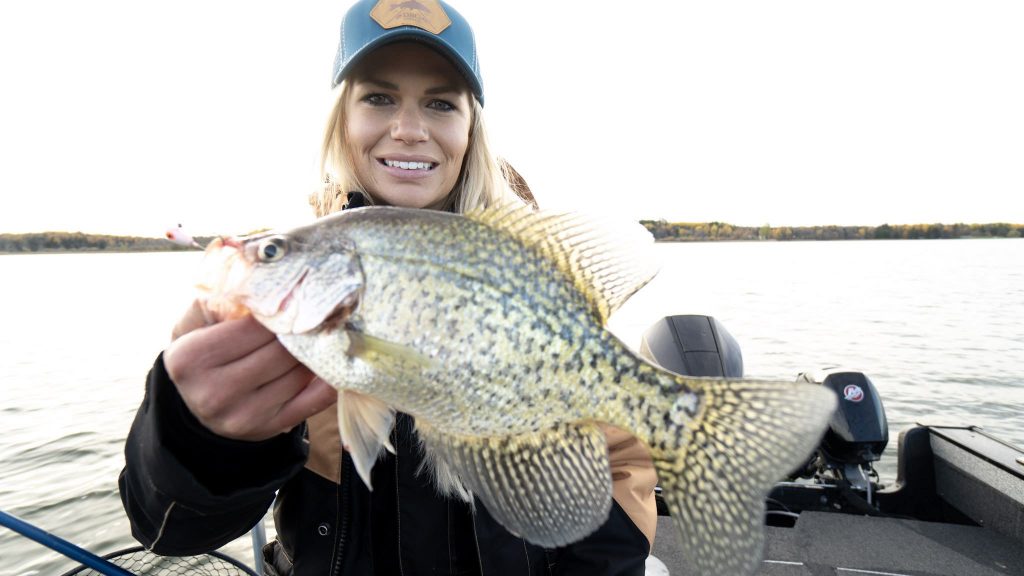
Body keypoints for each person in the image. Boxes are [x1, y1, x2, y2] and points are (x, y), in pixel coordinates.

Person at [118, 1, 657, 574]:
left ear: (470, 128)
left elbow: (620, 484)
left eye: (441, 103)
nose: (408, 129)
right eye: (378, 98)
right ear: (341, 121)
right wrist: (200, 434)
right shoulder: (276, 324)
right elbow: (168, 531)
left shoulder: (530, 274)